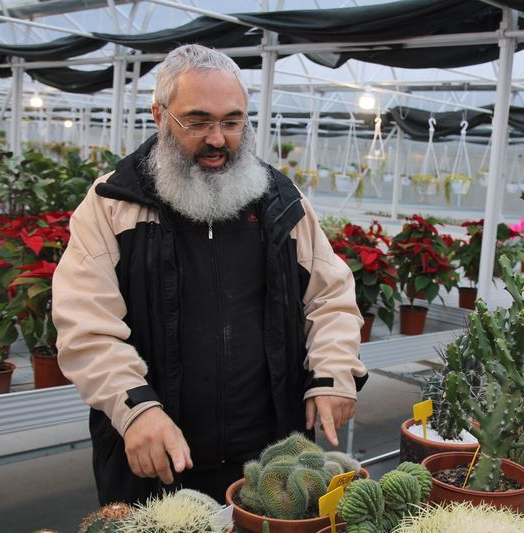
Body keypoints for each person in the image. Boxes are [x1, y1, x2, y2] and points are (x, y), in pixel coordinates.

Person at [52, 43, 368, 505]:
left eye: (232, 121)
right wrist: (135, 408)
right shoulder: (112, 203)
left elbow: (330, 296)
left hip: (269, 465)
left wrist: (334, 372)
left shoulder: (281, 201)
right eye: (197, 122)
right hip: (155, 459)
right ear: (160, 115)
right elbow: (85, 325)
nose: (218, 139)